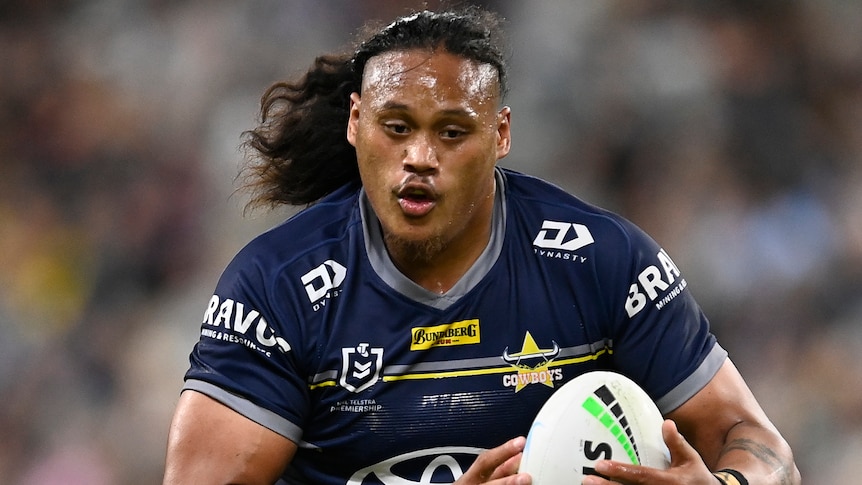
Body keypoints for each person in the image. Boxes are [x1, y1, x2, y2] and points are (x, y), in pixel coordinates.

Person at [163, 7, 800, 485]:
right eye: (396, 127)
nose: (419, 157)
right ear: (356, 124)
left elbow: (762, 445)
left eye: (452, 131)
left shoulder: (601, 261)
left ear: (500, 135)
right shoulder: (276, 286)